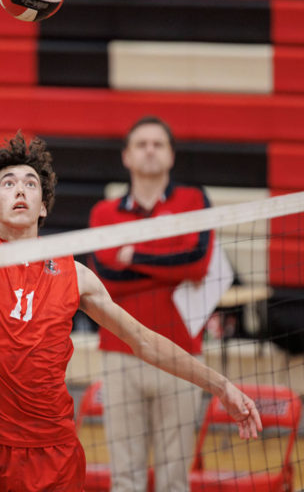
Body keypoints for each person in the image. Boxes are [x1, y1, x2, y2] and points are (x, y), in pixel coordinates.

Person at [0, 0, 261, 491]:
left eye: (30, 183)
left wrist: (221, 384)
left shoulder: (75, 276)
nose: (20, 189)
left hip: (52, 453)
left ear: (44, 206)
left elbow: (144, 341)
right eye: (7, 183)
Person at [89, 115, 213, 492]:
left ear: (171, 155)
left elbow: (198, 262)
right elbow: (106, 278)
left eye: (158, 144)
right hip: (120, 354)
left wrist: (134, 257)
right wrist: (169, 266)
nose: (149, 151)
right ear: (126, 156)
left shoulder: (195, 200)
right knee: (125, 477)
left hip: (181, 354)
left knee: (174, 480)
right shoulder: (103, 212)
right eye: (141, 144)